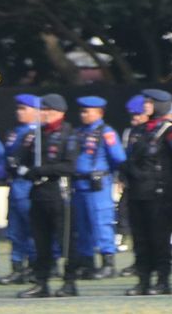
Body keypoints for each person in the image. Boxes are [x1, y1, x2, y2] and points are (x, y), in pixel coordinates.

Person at [121, 89, 172, 296]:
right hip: (138, 192)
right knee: (140, 239)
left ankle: (162, 281)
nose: (146, 105)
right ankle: (144, 279)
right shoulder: (138, 130)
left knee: (160, 238)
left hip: (160, 193)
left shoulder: (169, 131)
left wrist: (166, 178)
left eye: (150, 102)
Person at [17, 94, 80, 298]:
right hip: (38, 193)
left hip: (59, 193)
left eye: (46, 110)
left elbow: (69, 166)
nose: (42, 113)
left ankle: (69, 282)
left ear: (58, 112)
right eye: (41, 110)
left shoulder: (69, 135)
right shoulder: (37, 135)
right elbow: (22, 161)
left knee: (65, 241)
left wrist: (42, 170)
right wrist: (26, 171)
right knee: (40, 241)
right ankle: (41, 282)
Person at [72, 94, 126, 280]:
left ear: (99, 113)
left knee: (101, 222)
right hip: (79, 184)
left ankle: (108, 262)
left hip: (98, 185)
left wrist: (112, 175)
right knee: (83, 225)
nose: (83, 115)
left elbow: (118, 158)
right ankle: (87, 262)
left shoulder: (106, 132)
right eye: (82, 111)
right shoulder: (79, 132)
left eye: (87, 112)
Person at [1, 94, 43, 285]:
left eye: (24, 108)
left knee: (33, 228)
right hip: (15, 185)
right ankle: (17, 267)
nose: (19, 112)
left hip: (29, 186)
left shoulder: (38, 133)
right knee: (15, 230)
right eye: (18, 108)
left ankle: (35, 266)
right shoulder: (14, 132)